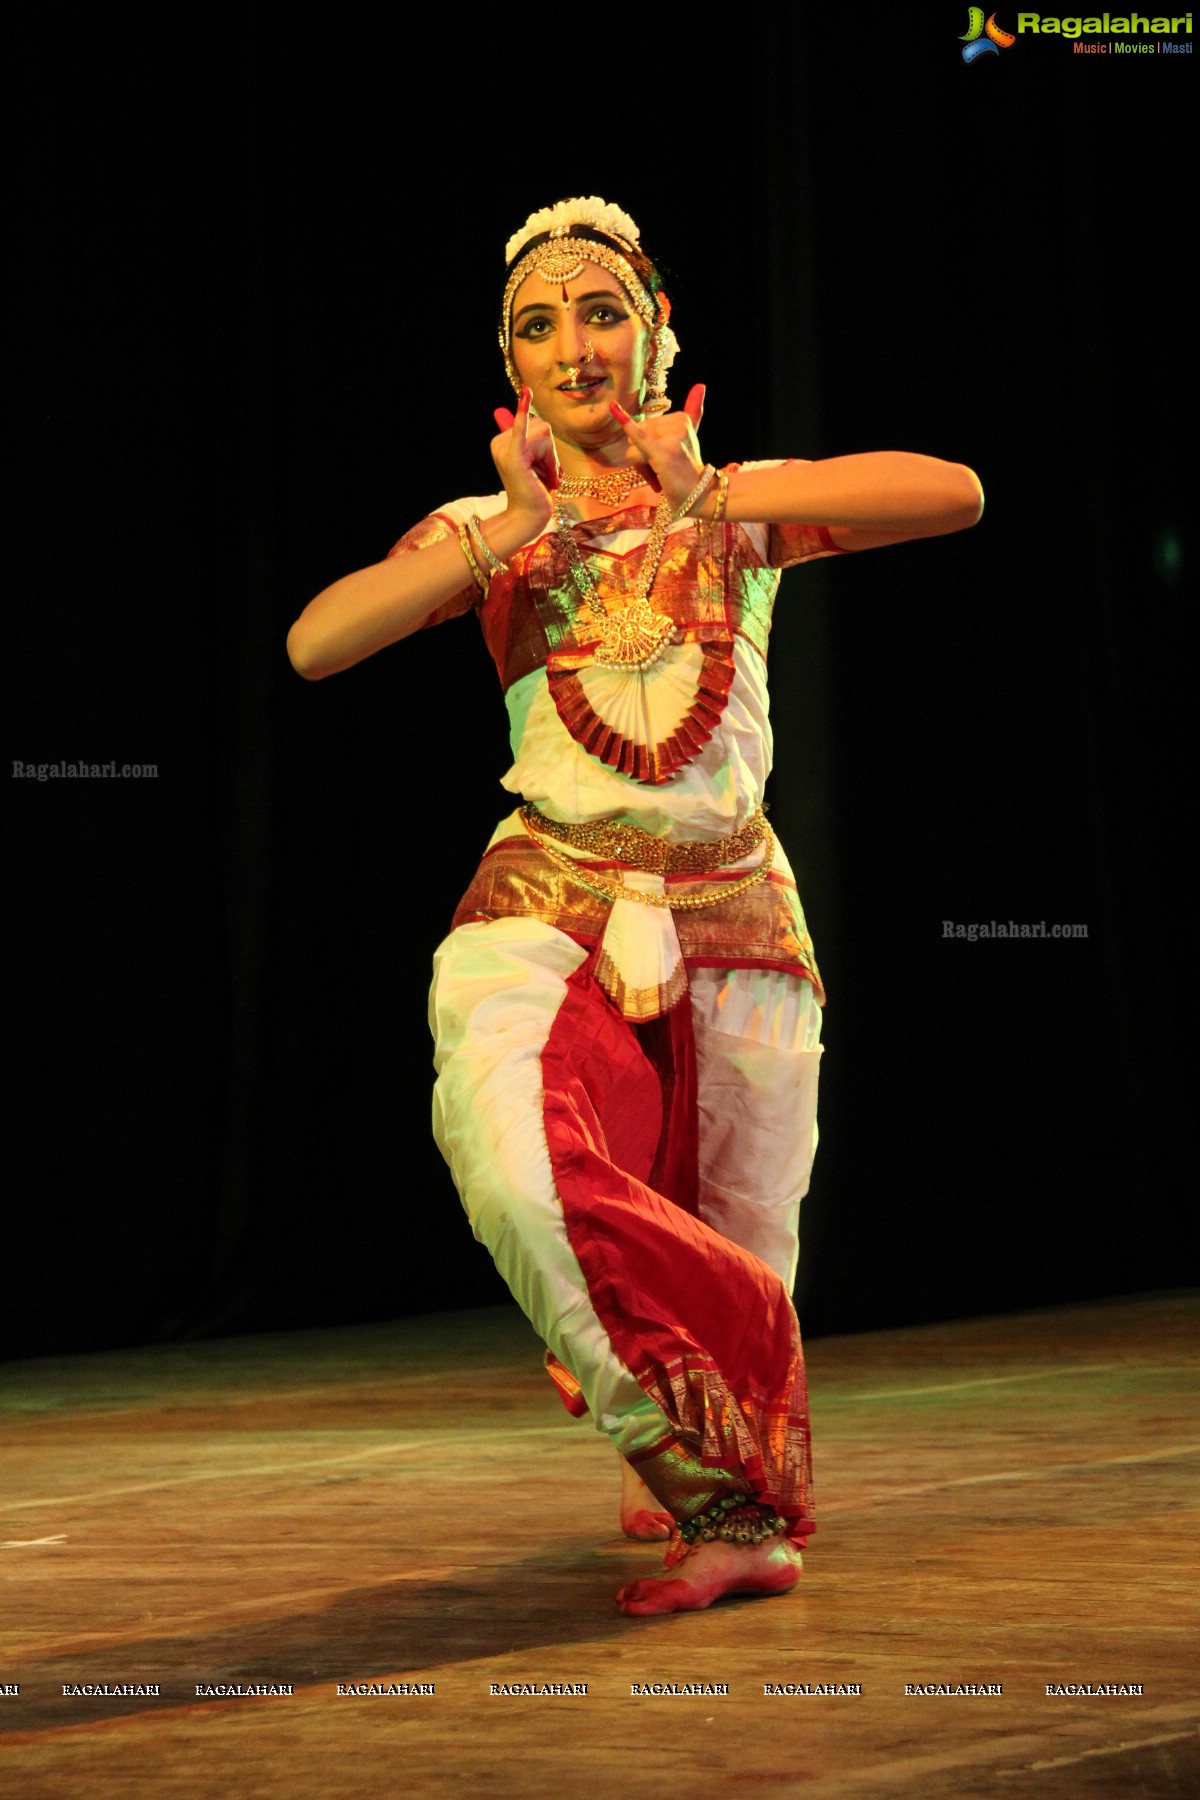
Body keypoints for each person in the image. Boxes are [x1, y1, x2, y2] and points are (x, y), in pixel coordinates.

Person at [287, 197, 983, 1616]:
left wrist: (711, 495)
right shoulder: (495, 530)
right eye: (537, 325)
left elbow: (956, 491)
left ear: (658, 339)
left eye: (602, 313)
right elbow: (315, 642)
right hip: (555, 895)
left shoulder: (740, 502)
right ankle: (714, 1485)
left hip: (735, 914)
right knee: (511, 1149)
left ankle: (693, 1461)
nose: (573, 347)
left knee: (743, 1248)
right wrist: (512, 536)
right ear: (512, 364)